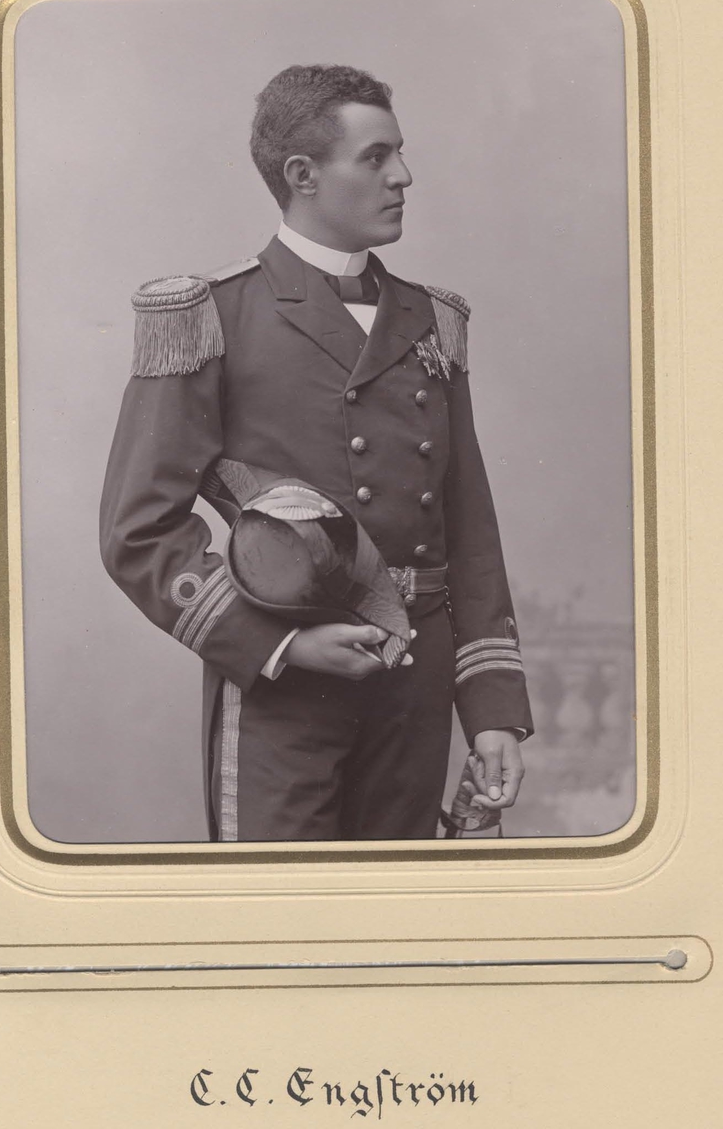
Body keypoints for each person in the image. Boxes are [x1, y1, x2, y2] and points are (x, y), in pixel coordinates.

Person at [100, 63, 533, 842]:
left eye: (398, 153)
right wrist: (283, 644)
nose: (403, 176)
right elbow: (138, 531)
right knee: (283, 911)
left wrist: (491, 708)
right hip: (284, 691)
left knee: (395, 910)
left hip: (414, 689)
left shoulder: (433, 321)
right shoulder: (211, 315)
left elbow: (470, 532)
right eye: (375, 157)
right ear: (302, 175)